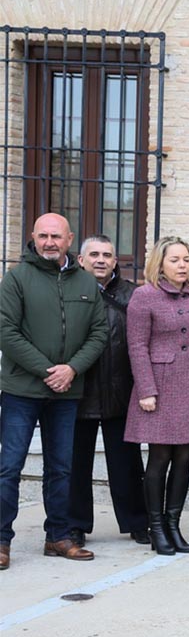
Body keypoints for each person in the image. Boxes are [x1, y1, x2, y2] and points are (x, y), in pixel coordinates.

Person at [0, 212, 106, 568]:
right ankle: (1, 541)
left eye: (56, 236)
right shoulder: (17, 278)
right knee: (9, 467)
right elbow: (6, 331)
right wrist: (48, 370)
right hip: (21, 391)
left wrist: (72, 369)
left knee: (61, 468)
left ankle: (58, 536)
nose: (49, 242)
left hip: (67, 392)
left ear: (69, 239)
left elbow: (99, 333)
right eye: (43, 235)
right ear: (33, 236)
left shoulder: (86, 283)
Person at [125, 237, 189, 557]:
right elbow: (137, 346)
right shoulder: (144, 296)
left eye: (186, 259)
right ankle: (157, 528)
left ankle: (174, 524)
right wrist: (147, 390)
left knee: (185, 458)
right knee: (160, 458)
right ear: (160, 264)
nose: (182, 265)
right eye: (175, 260)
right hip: (160, 386)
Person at [69, 235, 149, 547]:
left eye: (107, 255)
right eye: (94, 254)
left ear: (115, 261)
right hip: (78, 392)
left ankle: (137, 522)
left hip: (122, 392)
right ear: (81, 259)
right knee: (75, 464)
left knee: (127, 464)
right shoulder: (68, 291)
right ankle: (74, 525)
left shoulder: (134, 295)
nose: (101, 260)